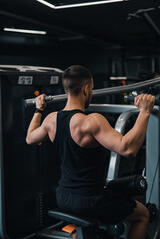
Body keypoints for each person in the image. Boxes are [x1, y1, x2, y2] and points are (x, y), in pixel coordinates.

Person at [26, 65, 155, 239]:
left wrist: (38, 108)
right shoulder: (92, 121)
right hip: (90, 201)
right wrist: (145, 112)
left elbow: (30, 138)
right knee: (143, 215)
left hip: (63, 197)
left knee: (87, 221)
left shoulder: (51, 119)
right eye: (92, 88)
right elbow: (128, 149)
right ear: (87, 89)